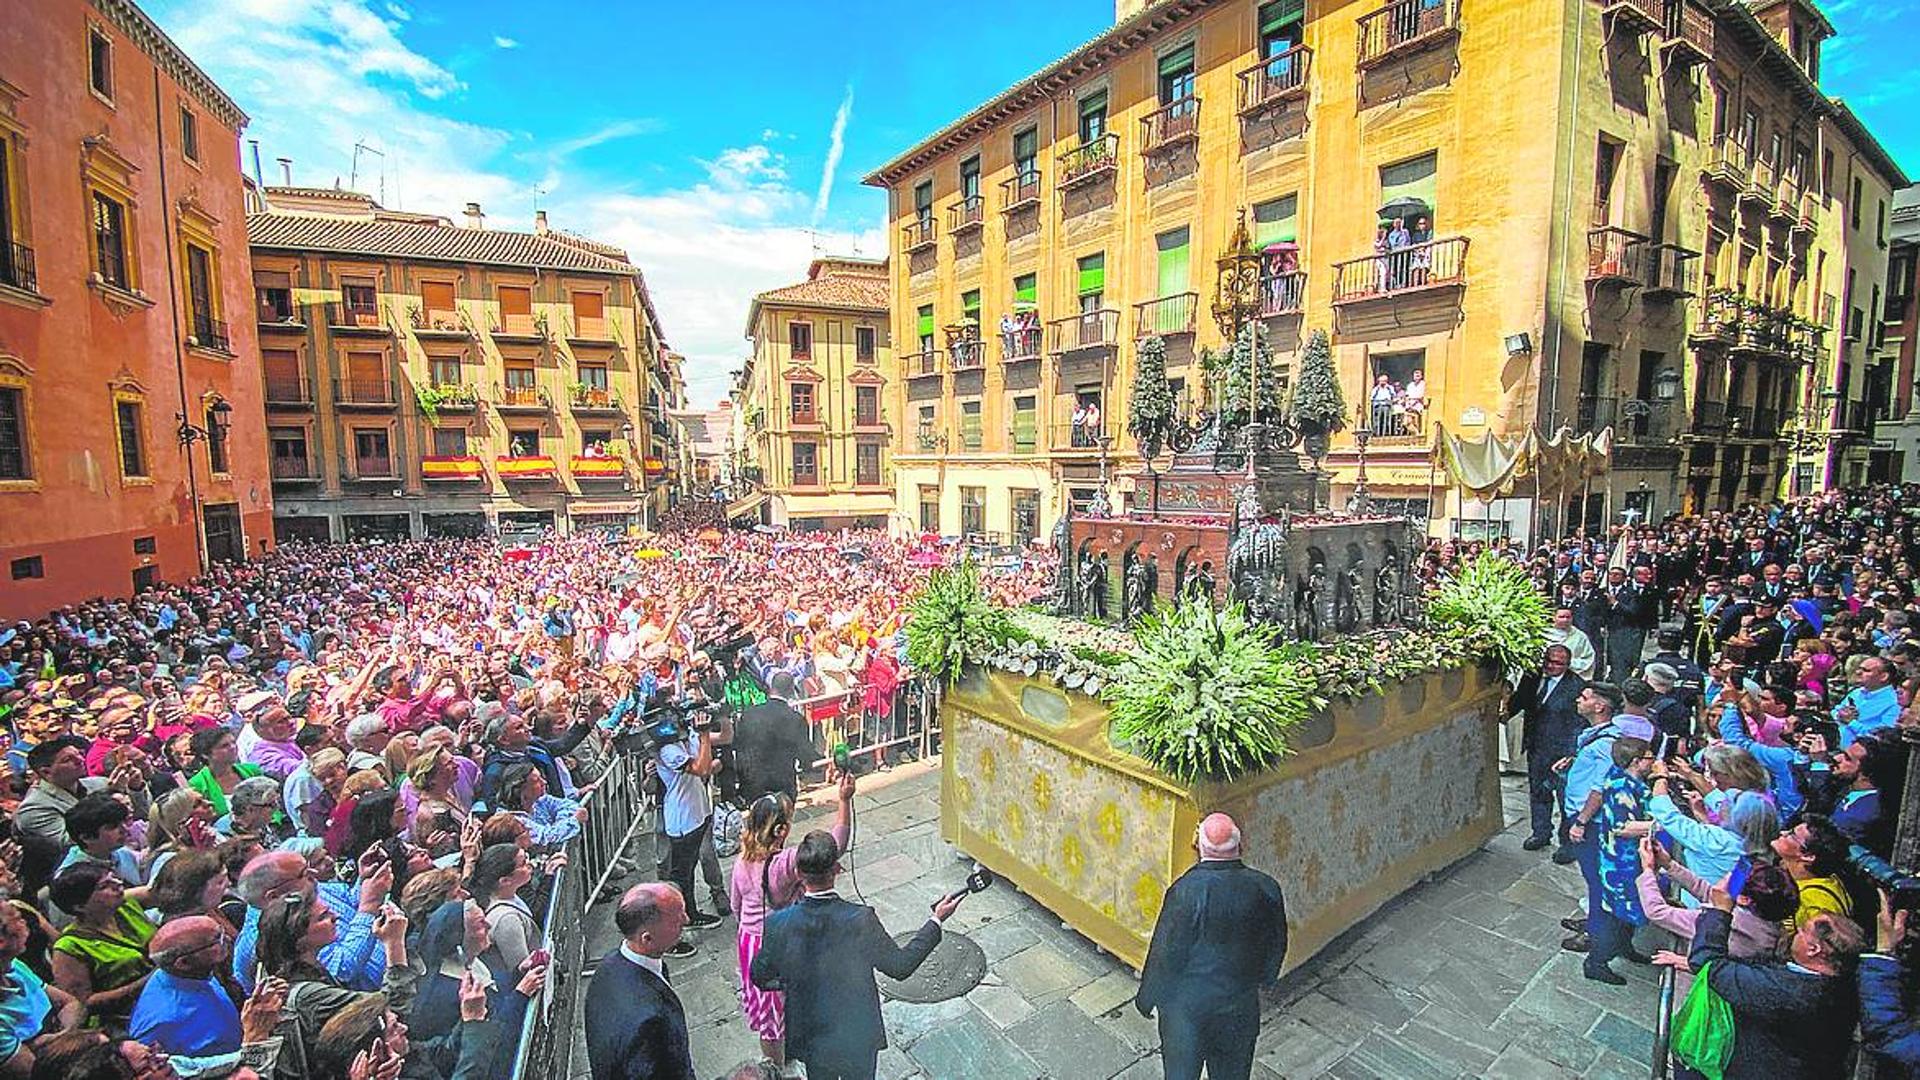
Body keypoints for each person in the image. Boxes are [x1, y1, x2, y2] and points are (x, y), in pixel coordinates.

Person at [749, 830, 959, 1080]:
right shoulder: (861, 919)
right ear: (837, 869)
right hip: (857, 1034)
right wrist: (936, 920)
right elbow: (900, 967)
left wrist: (790, 980)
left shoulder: (778, 924)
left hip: (812, 1035)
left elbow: (760, 976)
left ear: (799, 874)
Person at [1136, 813, 1288, 1080]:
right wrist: (1267, 977)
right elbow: (1276, 942)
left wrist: (1147, 997)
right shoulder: (1266, 887)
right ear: (1240, 846)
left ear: (1199, 846)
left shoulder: (1184, 891)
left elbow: (1166, 953)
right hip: (1239, 1009)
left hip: (1186, 1015)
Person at [729, 771, 855, 1071]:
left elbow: (736, 905)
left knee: (767, 1011)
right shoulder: (785, 863)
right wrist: (844, 801)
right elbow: (832, 847)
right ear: (781, 830)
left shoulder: (741, 860)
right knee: (788, 1003)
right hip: (782, 940)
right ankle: (788, 1063)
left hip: (750, 942)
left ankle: (774, 1067)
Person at [1682, 884, 1862, 1078]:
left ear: (1813, 950)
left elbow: (1709, 964)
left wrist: (1720, 912)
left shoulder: (1789, 991)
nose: (1797, 932)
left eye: (1803, 931)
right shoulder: (1846, 983)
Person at [584, 883, 695, 1080]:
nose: (686, 920)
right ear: (647, 939)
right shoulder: (648, 1022)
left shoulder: (607, 967)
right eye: (677, 919)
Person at [1510, 644, 1585, 850]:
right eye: (1548, 661)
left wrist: (1572, 753)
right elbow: (1520, 701)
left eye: (1557, 663)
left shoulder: (1577, 687)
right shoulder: (1533, 677)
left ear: (1567, 665)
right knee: (1538, 791)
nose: (1551, 666)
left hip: (1561, 751)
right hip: (1537, 745)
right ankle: (1540, 832)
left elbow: (1579, 724)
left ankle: (1567, 843)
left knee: (1563, 797)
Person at [657, 722, 723, 931]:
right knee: (680, 876)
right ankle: (676, 924)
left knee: (688, 871)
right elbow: (702, 768)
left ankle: (691, 913)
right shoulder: (668, 750)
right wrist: (703, 735)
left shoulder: (683, 742)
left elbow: (709, 761)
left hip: (697, 813)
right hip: (682, 819)